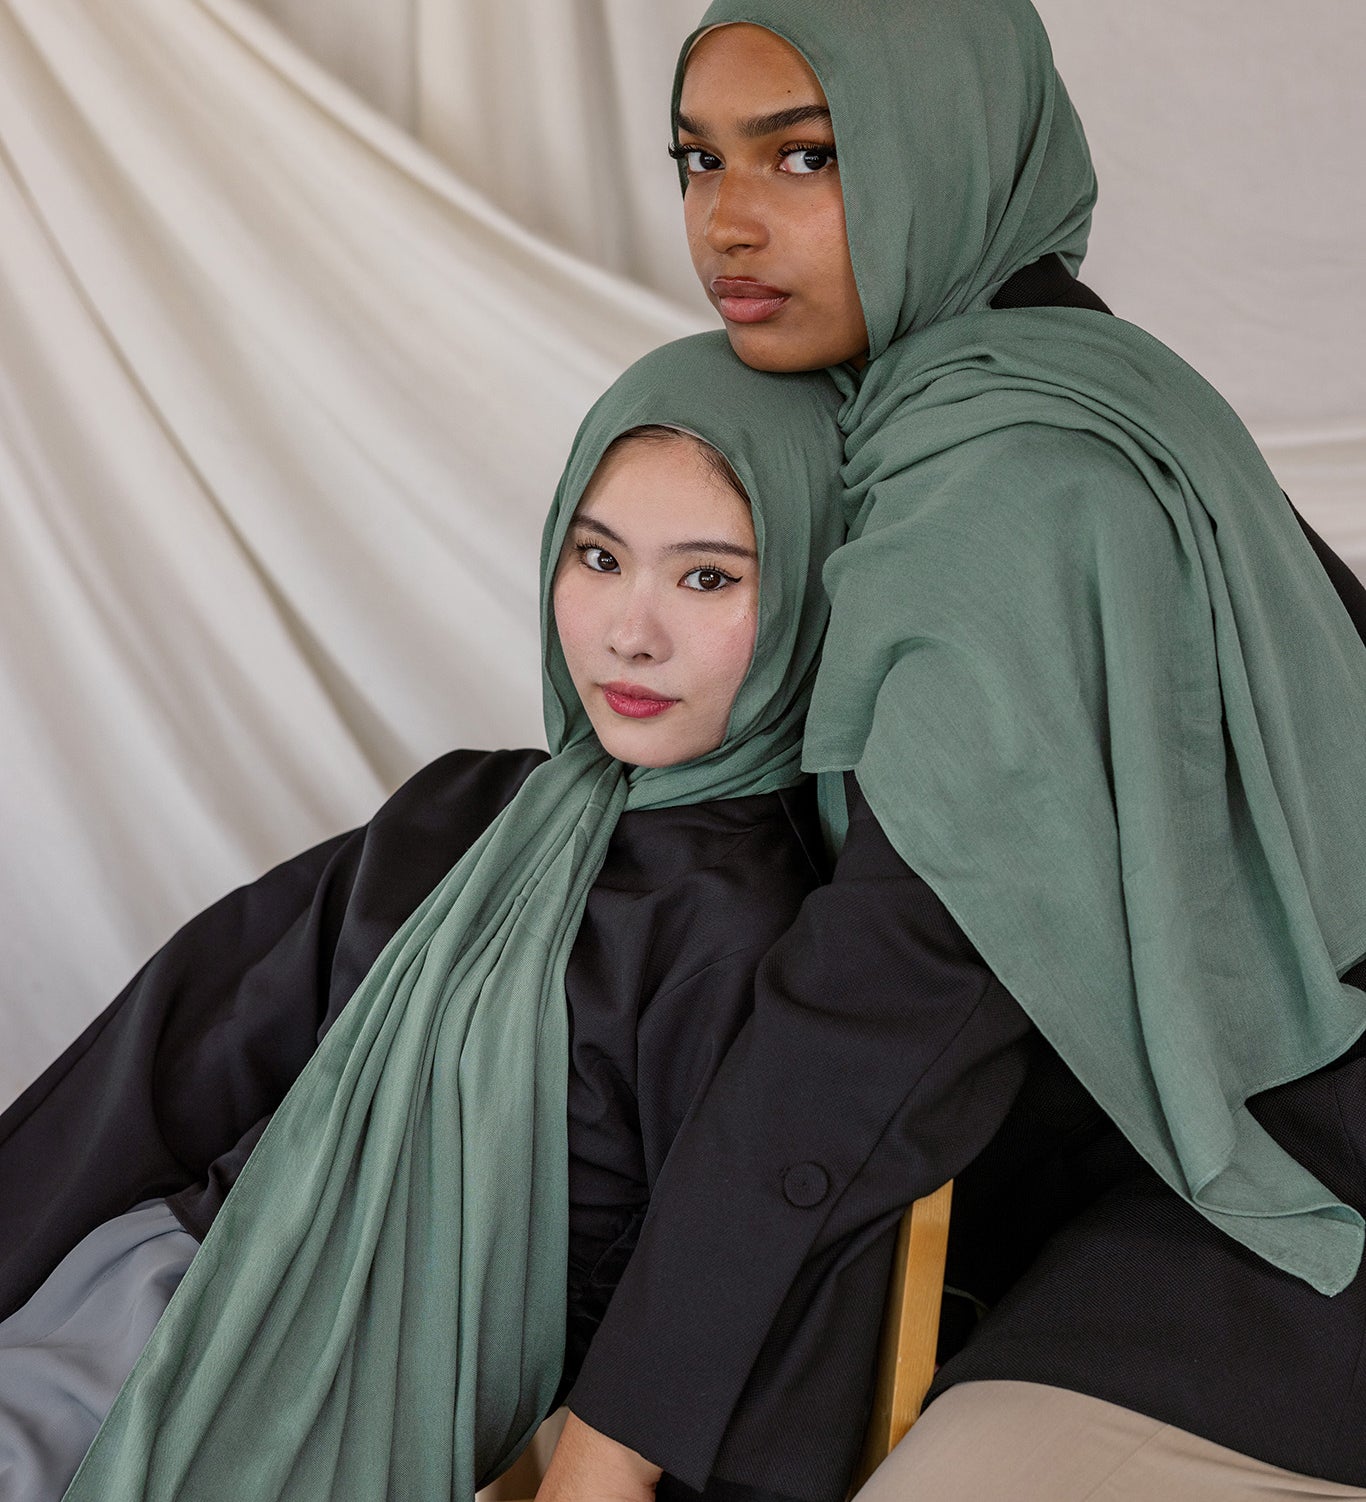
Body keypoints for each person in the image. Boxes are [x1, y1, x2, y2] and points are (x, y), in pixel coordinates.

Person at [537, 5, 1366, 1501]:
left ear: (954, 146)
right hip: (1159, 1139)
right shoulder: (1052, 384)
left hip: (1296, 1196)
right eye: (696, 157)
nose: (727, 219)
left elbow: (883, 997)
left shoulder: (1015, 484)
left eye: (805, 156)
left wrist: (608, 1446)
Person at [0, 332, 845, 1501]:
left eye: (709, 577)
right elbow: (180, 1050)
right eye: (597, 557)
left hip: (354, 1411)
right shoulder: (463, 806)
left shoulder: (762, 934)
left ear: (812, 589)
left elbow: (711, 1300)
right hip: (142, 1297)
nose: (629, 631)